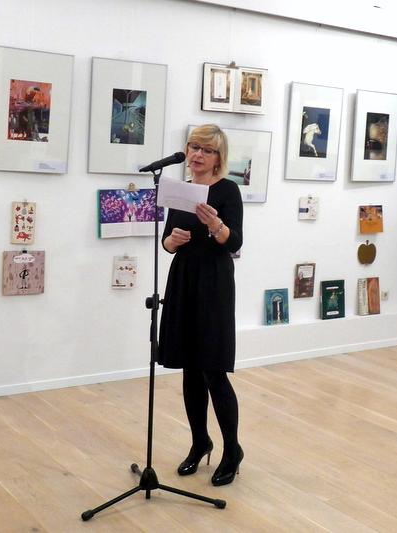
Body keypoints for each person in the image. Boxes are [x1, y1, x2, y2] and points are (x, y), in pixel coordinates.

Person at [158, 124, 244, 486]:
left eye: (206, 150)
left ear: (218, 157)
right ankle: (199, 442)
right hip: (183, 280)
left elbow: (234, 241)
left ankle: (232, 450)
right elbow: (166, 241)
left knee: (213, 370)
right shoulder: (181, 190)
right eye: (193, 147)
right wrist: (172, 241)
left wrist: (216, 226)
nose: (197, 154)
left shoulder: (227, 190)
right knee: (190, 369)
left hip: (213, 283)